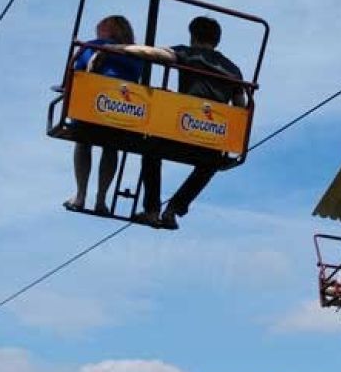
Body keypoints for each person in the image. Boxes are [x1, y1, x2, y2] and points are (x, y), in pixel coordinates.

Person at [105, 16, 247, 229]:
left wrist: (117, 48)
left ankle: (152, 210)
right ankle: (173, 210)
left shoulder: (188, 54)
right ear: (217, 41)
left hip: (182, 131)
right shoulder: (234, 70)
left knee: (150, 148)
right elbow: (240, 105)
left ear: (192, 37)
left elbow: (153, 54)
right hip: (212, 137)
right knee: (210, 163)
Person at [65, 15, 143, 215]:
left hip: (93, 102)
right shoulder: (136, 55)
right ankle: (101, 199)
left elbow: (78, 70)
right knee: (111, 147)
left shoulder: (94, 46)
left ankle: (81, 195)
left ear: (109, 30)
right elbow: (135, 77)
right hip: (121, 107)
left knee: (83, 142)